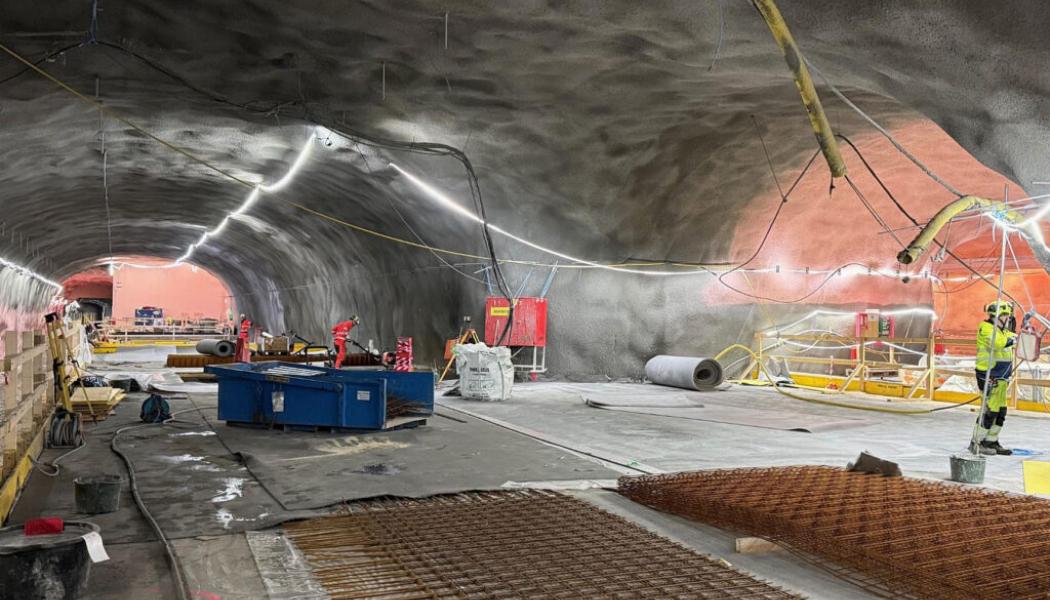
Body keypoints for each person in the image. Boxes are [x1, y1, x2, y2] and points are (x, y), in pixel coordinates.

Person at [972, 301, 1017, 456]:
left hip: (1002, 376)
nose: (1008, 318)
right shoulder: (986, 329)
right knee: (989, 411)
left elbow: (1013, 337)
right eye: (1006, 315)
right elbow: (997, 344)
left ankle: (991, 441)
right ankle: (977, 442)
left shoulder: (1002, 331)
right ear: (998, 316)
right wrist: (1014, 340)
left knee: (1000, 411)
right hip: (989, 375)